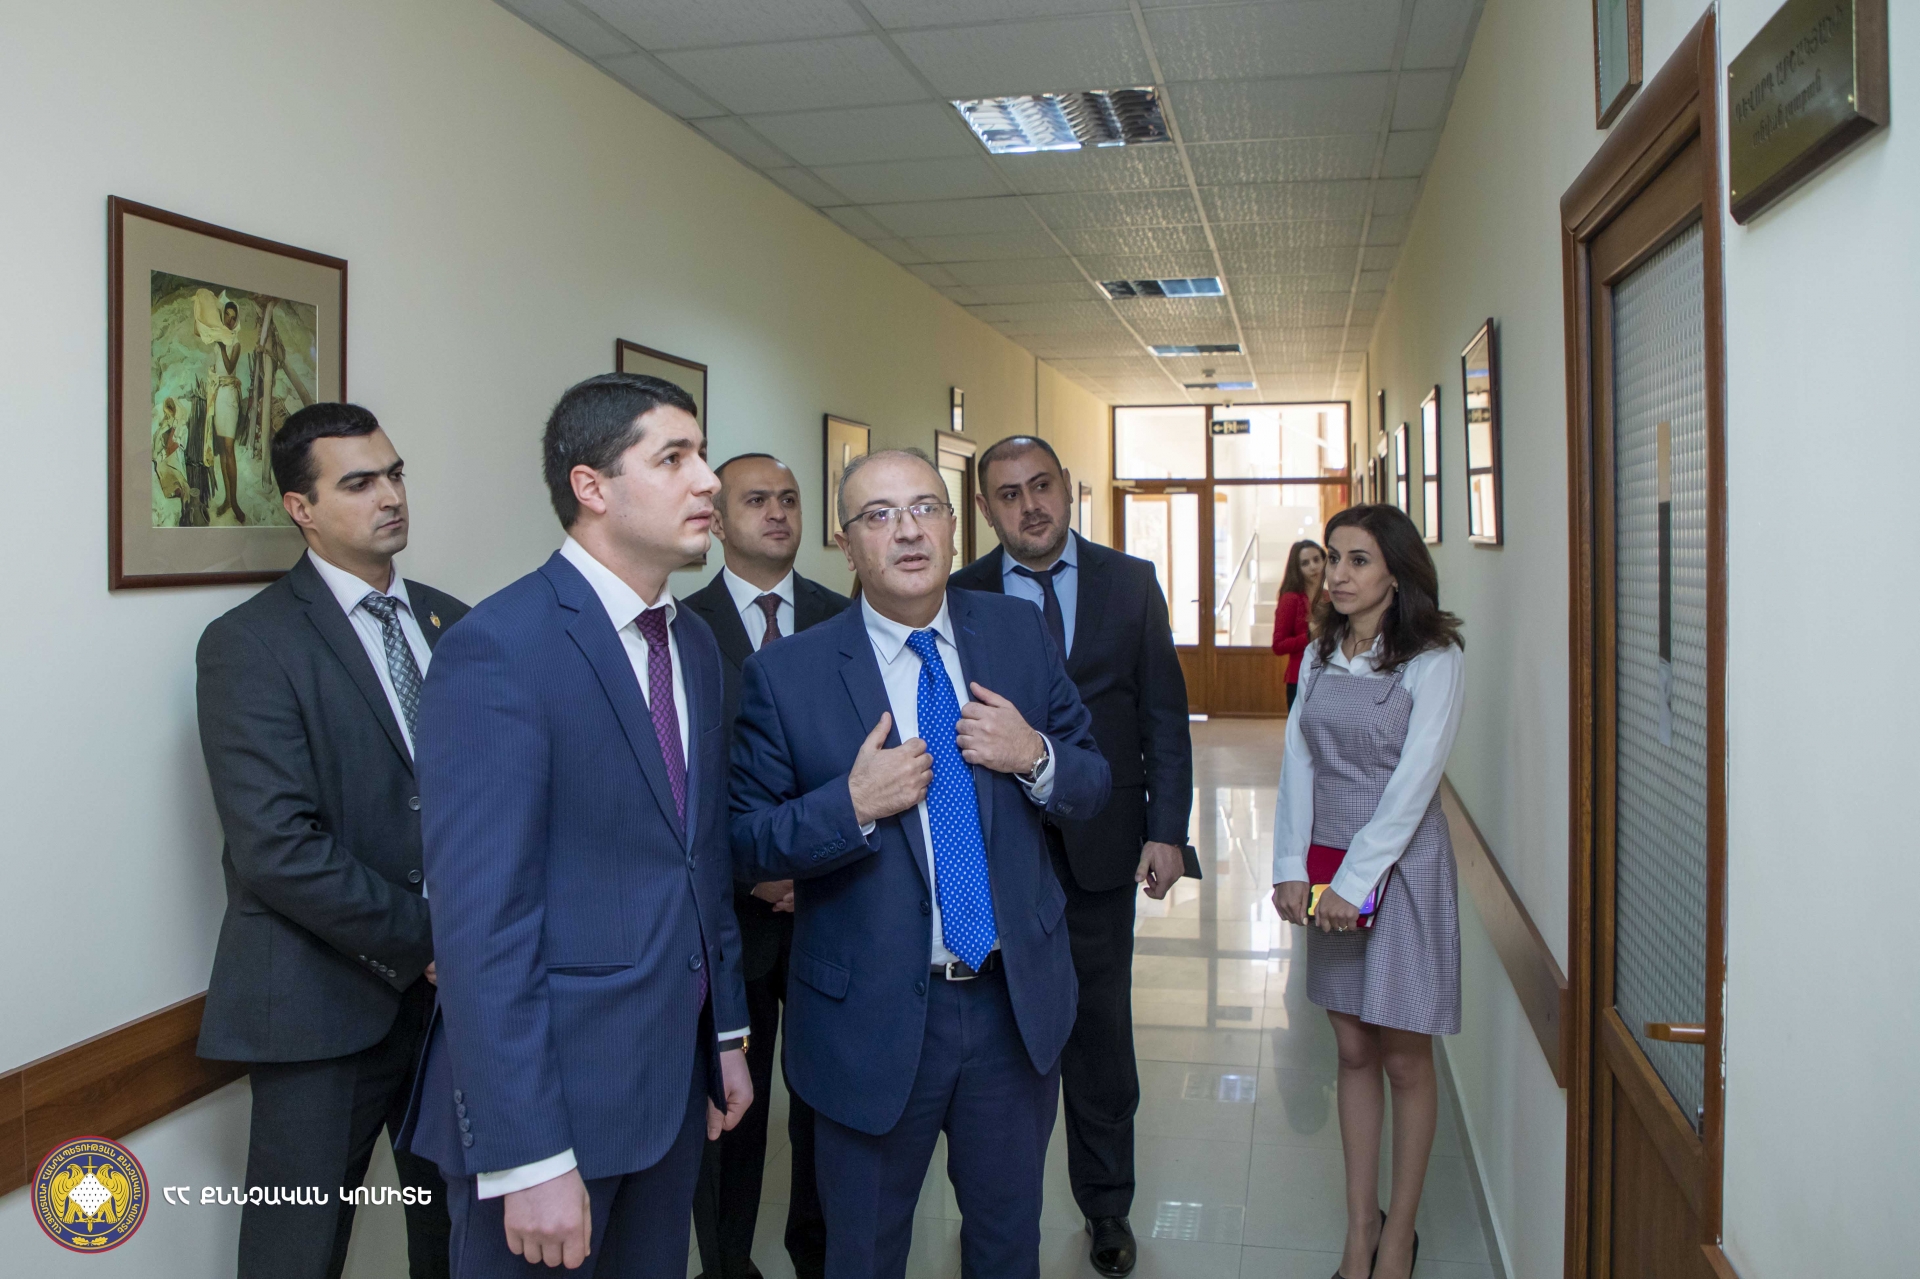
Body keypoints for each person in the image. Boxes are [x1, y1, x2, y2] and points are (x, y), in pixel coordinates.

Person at [730, 449, 1111, 1279]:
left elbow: (1093, 782)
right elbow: (746, 841)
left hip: (1011, 1006)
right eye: (879, 515)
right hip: (868, 1021)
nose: (907, 530)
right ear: (845, 542)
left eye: (925, 508)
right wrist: (851, 805)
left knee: (1007, 1247)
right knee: (863, 1254)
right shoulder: (787, 674)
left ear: (953, 525)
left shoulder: (1015, 633)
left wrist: (1033, 753)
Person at [405, 373, 753, 1278]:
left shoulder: (693, 644)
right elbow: (481, 925)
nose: (708, 479)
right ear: (591, 486)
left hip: (669, 1089)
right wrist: (528, 1155)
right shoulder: (501, 647)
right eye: (673, 458)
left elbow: (698, 859)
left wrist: (724, 1035)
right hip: (551, 1111)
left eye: (703, 454)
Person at [195, 402, 462, 1279]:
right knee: (296, 1254)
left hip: (457, 1010)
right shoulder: (250, 644)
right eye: (359, 483)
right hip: (319, 1005)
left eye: (395, 473)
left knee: (461, 1239)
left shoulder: (455, 624)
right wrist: (430, 938)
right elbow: (278, 848)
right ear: (300, 508)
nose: (390, 496)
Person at [950, 435, 1192, 1278]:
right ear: (986, 508)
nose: (1031, 505)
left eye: (1041, 485)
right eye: (1009, 493)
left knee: (1098, 1032)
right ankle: (995, 1208)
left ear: (1066, 488)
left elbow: (1163, 713)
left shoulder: (1130, 582)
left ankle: (1107, 1204)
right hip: (998, 851)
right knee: (1000, 1039)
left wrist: (1168, 829)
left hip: (1102, 848)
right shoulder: (959, 594)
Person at [1268, 504, 1465, 1279]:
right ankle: (1360, 1230)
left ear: (1397, 572)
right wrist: (1292, 865)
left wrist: (1356, 881)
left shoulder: (1432, 657)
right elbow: (1299, 764)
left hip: (1401, 866)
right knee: (1351, 1047)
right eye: (1333, 558)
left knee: (1405, 1056)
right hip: (1328, 860)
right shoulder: (1323, 652)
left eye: (1358, 560)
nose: (1337, 575)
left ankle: (1399, 1235)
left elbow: (1414, 785)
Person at [681, 453, 848, 1279]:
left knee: (826, 1104)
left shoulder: (843, 617)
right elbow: (681, 779)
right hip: (730, 914)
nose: (778, 512)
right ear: (717, 521)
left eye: (788, 498)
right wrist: (757, 871)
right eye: (756, 500)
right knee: (730, 1108)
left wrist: (809, 863)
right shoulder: (680, 628)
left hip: (833, 902)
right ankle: (727, 1262)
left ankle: (818, 1255)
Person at [1271, 539, 1327, 710]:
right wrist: (1309, 637)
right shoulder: (1290, 599)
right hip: (1300, 678)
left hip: (1330, 677)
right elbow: (1278, 645)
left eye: (1316, 560)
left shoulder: (1331, 596)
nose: (1313, 567)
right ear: (1297, 569)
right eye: (1305, 563)